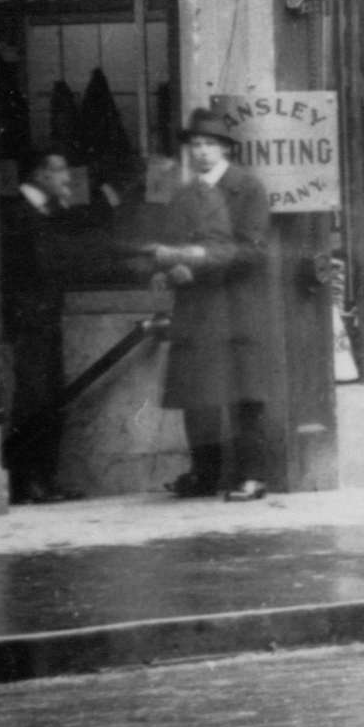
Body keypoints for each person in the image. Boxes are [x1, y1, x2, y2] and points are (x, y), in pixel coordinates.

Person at [144, 111, 279, 499]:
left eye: (210, 144)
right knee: (197, 395)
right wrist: (169, 270)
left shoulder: (247, 188)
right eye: (195, 145)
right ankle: (204, 473)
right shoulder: (185, 194)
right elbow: (170, 244)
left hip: (237, 302)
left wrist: (198, 258)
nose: (201, 152)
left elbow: (253, 252)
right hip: (197, 306)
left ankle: (253, 476)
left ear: (225, 149)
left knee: (244, 392)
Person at [0, 151, 90, 503]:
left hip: (46, 319)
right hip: (27, 322)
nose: (67, 176)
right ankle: (26, 481)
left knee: (50, 397)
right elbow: (43, 264)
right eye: (59, 169)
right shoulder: (17, 213)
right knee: (33, 399)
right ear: (38, 174)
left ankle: (43, 479)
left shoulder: (50, 211)